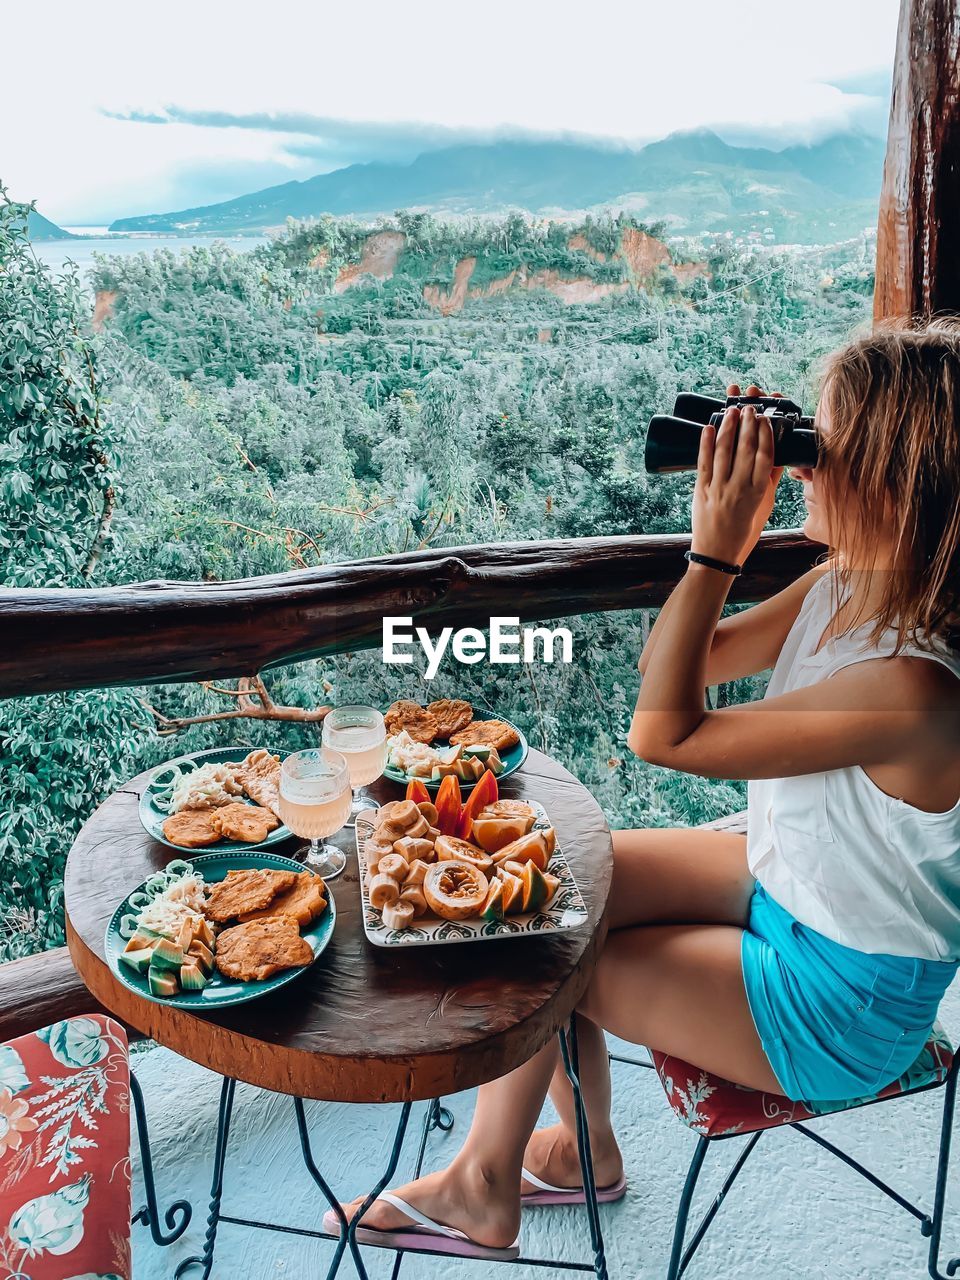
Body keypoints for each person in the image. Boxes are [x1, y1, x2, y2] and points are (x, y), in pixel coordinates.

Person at [326, 319, 960, 1261]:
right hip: (791, 877)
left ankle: (486, 1187)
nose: (800, 468)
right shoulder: (859, 580)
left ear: (893, 480)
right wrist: (724, 549)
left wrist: (716, 553)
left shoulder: (915, 688)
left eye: (819, 448)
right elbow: (688, 662)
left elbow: (662, 732)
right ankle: (576, 1155)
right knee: (554, 884)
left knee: (545, 958)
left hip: (840, 992)